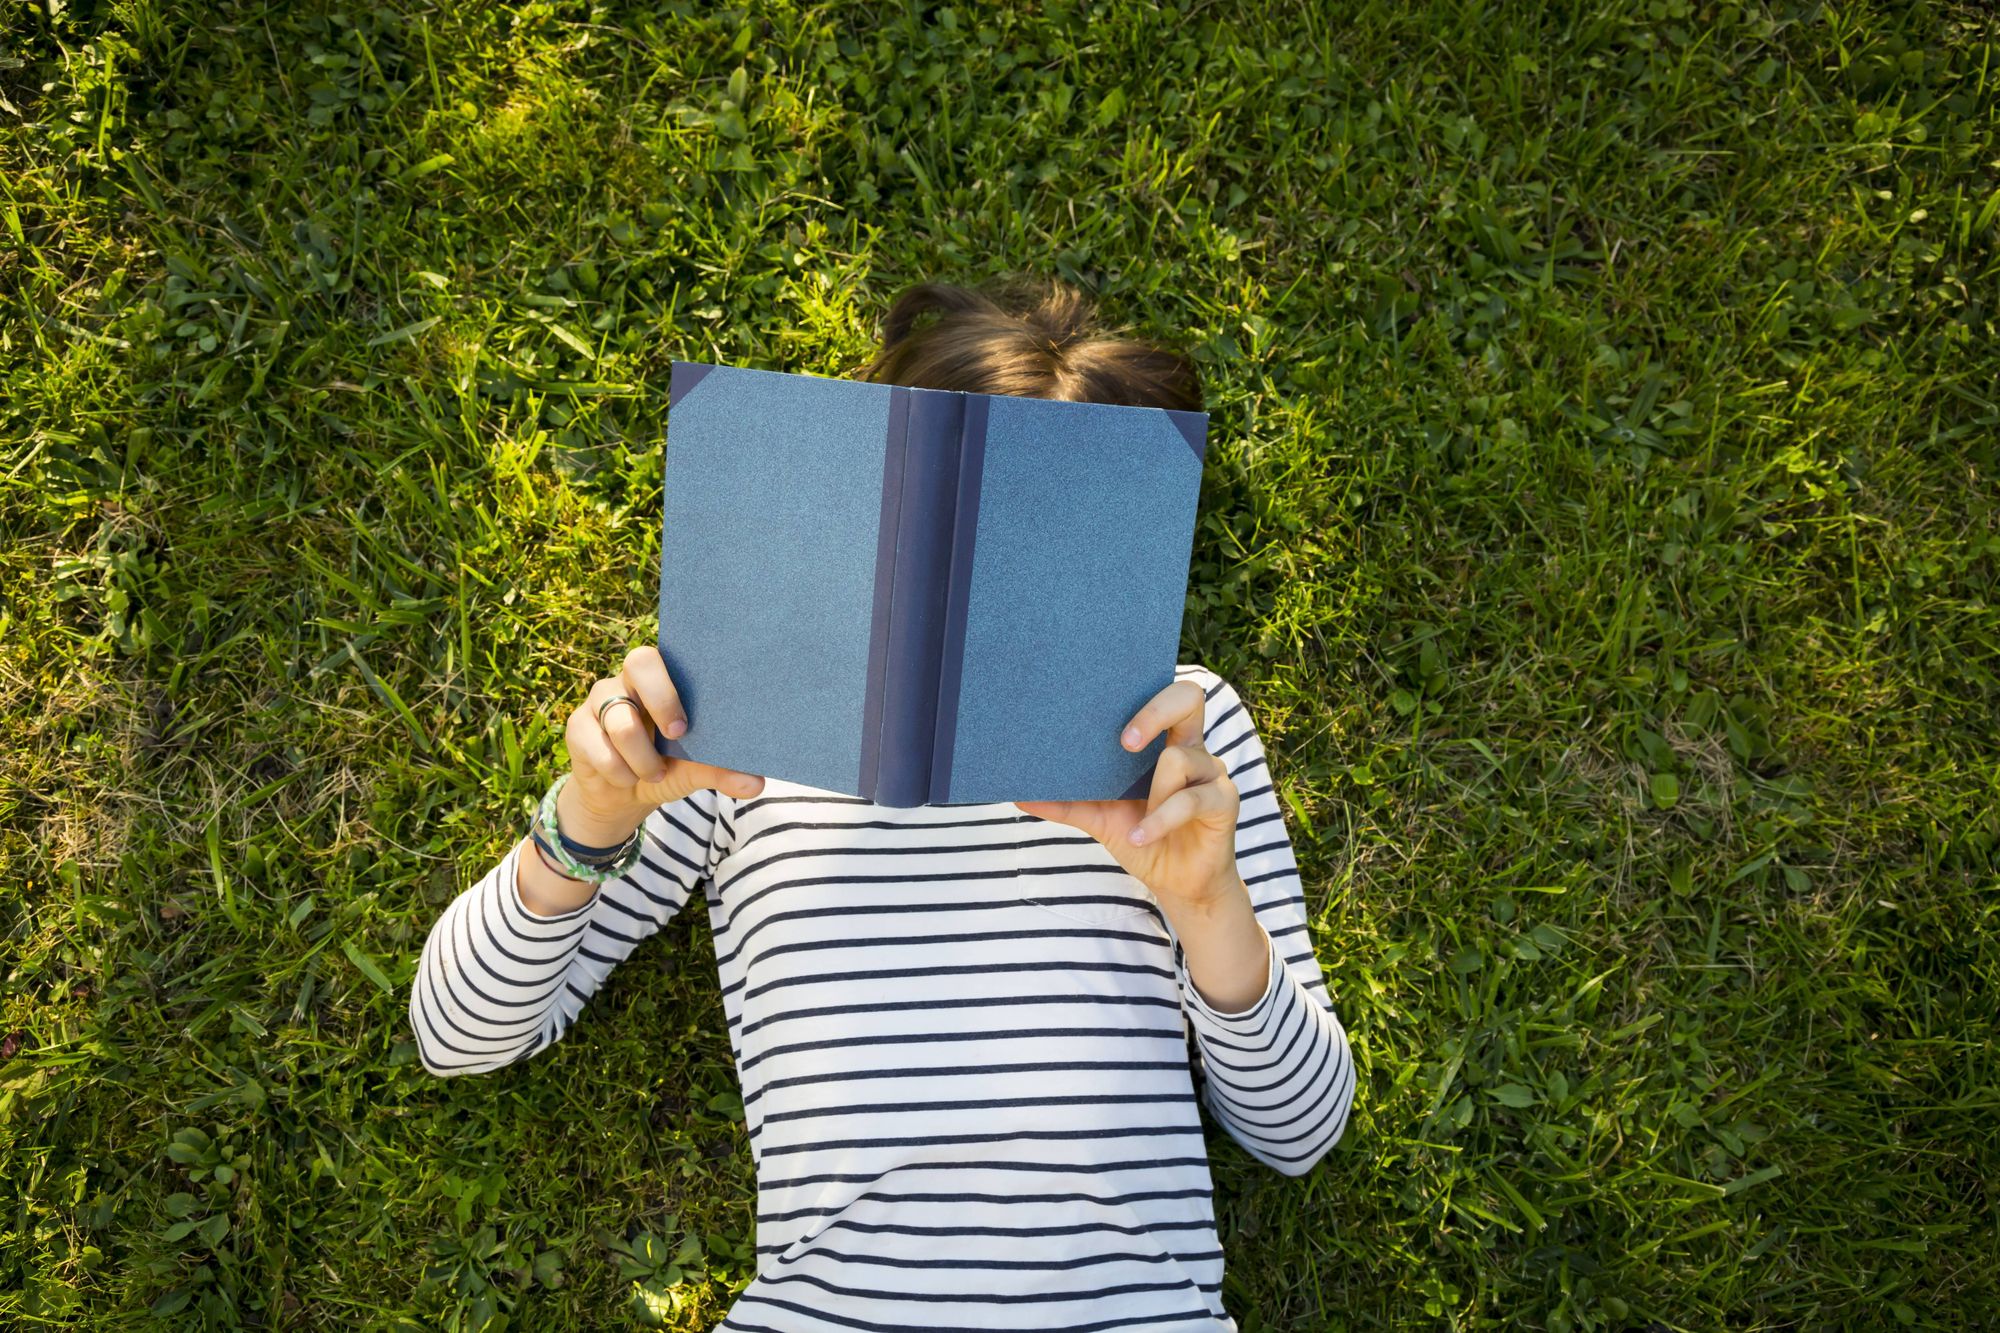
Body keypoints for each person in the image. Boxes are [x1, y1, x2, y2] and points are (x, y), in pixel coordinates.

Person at [408, 277, 1356, 1331]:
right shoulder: (733, 720)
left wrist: (1208, 903)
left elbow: (1299, 1133)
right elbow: (457, 1034)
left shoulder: (1175, 739)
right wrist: (587, 822)